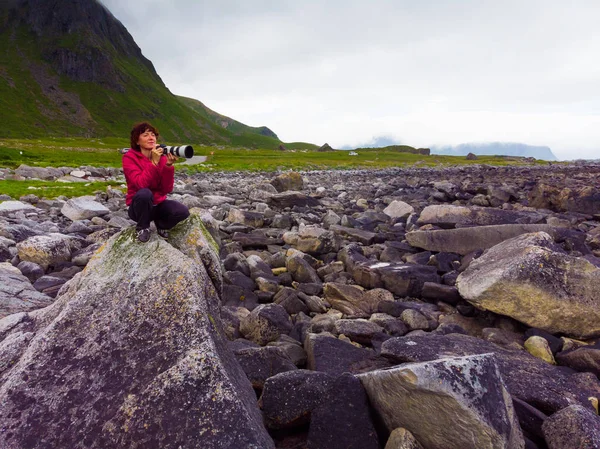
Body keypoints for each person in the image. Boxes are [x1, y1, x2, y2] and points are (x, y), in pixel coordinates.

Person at [123, 122, 190, 242]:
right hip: (138, 207)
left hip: (157, 205)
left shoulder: (162, 157)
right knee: (145, 193)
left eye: (153, 135)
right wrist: (153, 163)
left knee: (182, 212)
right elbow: (140, 184)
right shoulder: (129, 158)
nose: (151, 137)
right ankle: (142, 228)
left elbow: (166, 189)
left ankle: (161, 225)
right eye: (145, 135)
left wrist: (168, 166)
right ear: (137, 141)